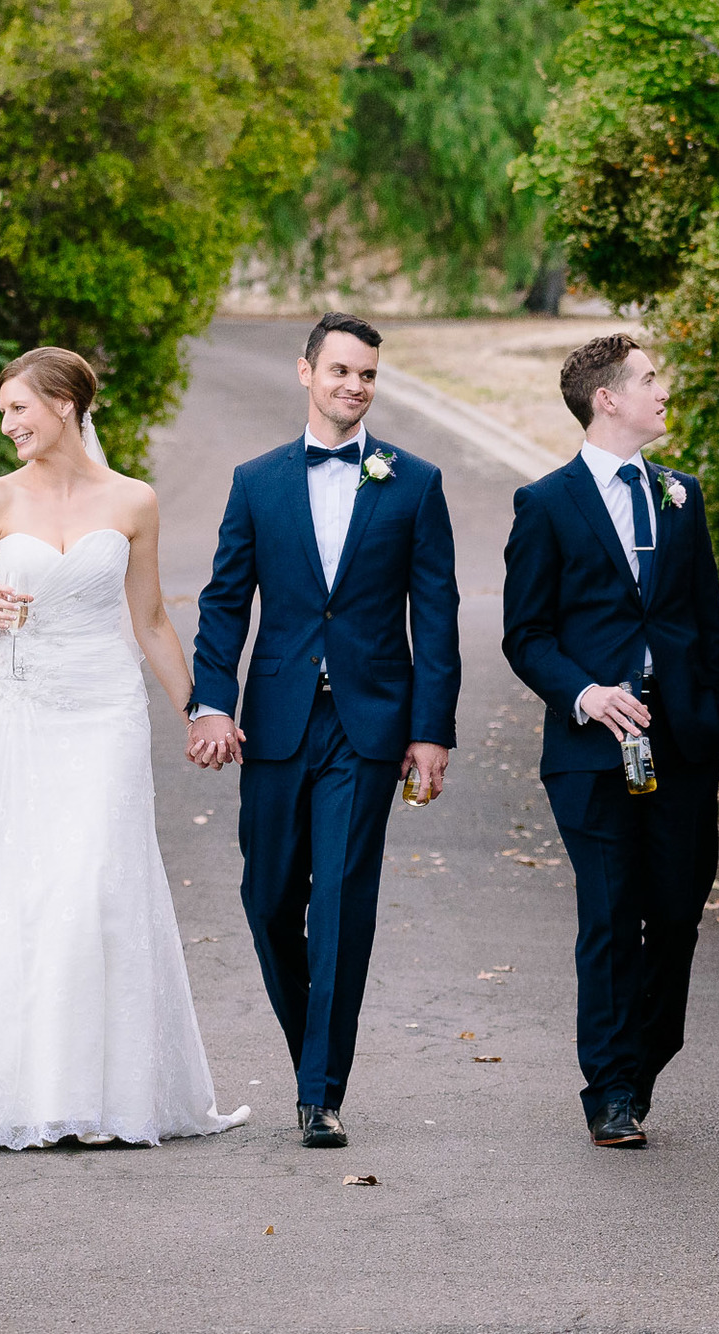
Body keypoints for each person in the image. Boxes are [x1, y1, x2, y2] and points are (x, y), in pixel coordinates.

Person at [0, 348, 250, 1151]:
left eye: (19, 408)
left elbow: (151, 618)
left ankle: (101, 1094)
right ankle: (13, 1091)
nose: (7, 424)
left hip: (103, 709)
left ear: (63, 405)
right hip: (20, 710)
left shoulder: (133, 501)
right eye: (4, 410)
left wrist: (197, 709)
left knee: (94, 885)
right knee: (19, 887)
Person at [187, 313, 459, 1149]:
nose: (354, 386)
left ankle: (319, 1091)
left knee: (341, 899)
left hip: (370, 725)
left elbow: (437, 616)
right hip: (275, 719)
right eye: (340, 370)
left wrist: (431, 730)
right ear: (305, 372)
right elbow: (226, 600)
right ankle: (315, 1040)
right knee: (267, 898)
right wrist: (210, 700)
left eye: (368, 375)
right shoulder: (257, 481)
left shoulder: (414, 482)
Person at [500, 333, 719, 1150]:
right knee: (610, 911)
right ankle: (609, 1090)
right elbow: (525, 636)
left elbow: (705, 623)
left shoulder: (683, 495)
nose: (661, 389)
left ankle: (643, 1056)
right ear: (608, 398)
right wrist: (585, 693)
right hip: (590, 749)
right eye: (648, 378)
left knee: (675, 915)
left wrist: (717, 727)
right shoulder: (547, 503)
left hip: (679, 742)